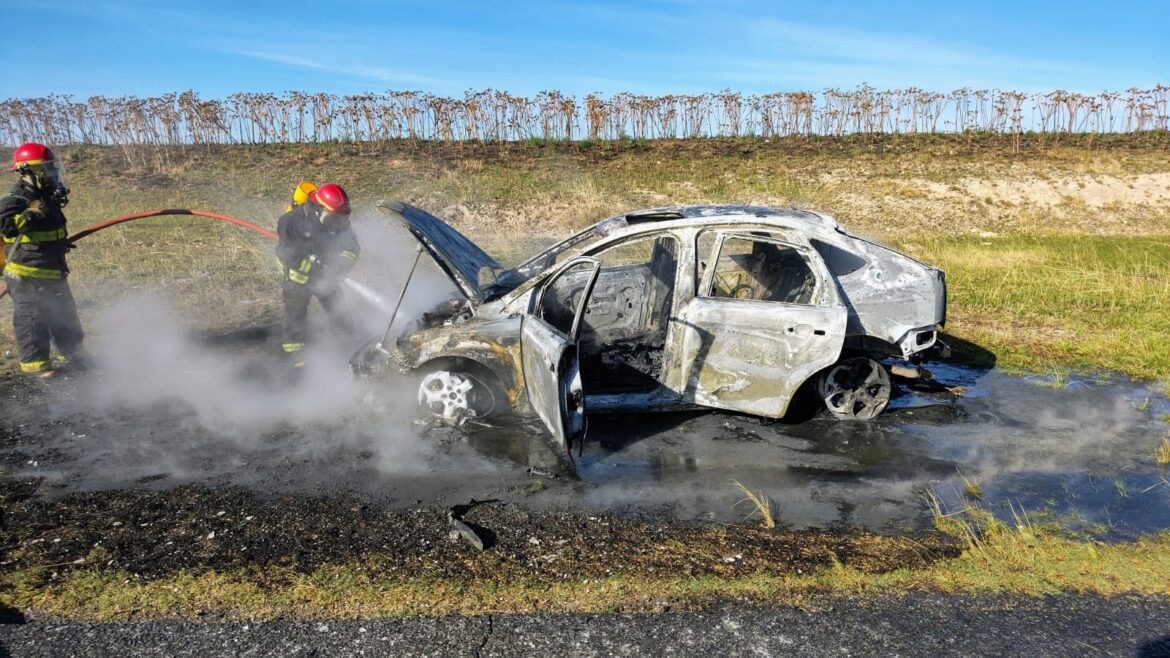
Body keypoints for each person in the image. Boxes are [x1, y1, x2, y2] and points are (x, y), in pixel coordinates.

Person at [0, 143, 86, 378]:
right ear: (27, 172)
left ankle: (73, 355)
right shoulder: (13, 200)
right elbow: (6, 228)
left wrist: (60, 243)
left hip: (53, 270)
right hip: (27, 274)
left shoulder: (46, 197)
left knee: (65, 314)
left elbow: (51, 229)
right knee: (33, 321)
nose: (51, 174)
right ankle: (37, 367)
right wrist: (28, 215)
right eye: (45, 169)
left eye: (52, 168)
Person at [274, 183, 359, 366]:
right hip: (297, 278)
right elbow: (286, 255)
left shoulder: (339, 222)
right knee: (295, 317)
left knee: (339, 310)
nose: (339, 224)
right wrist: (311, 266)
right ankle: (296, 358)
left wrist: (341, 266)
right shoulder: (291, 222)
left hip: (326, 275)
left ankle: (349, 347)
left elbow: (351, 248)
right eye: (334, 218)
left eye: (342, 218)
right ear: (320, 209)